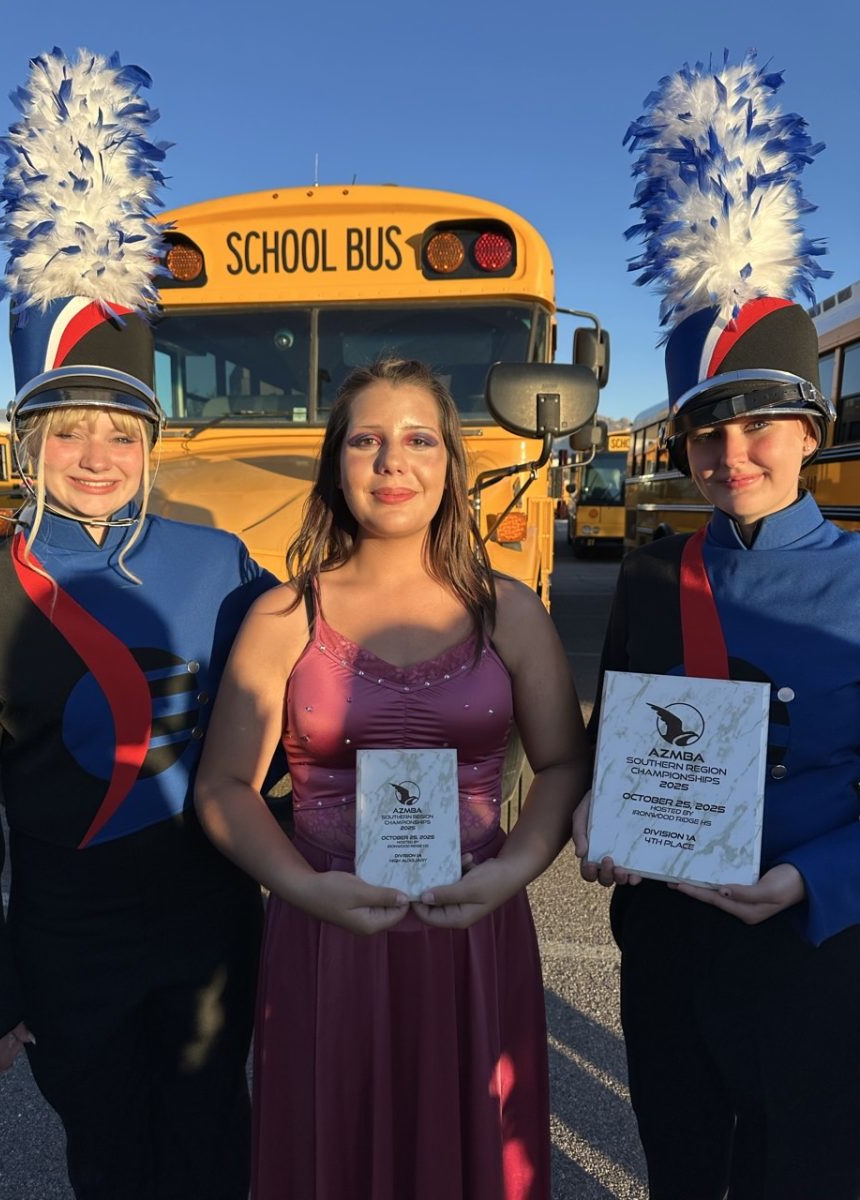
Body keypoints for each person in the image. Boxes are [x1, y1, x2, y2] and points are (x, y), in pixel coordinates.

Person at [195, 357, 589, 1200]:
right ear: (337, 464)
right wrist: (305, 890)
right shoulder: (281, 616)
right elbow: (224, 786)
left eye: (418, 440)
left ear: (451, 463)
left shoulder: (509, 610)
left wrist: (511, 873)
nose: (391, 462)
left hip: (474, 931)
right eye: (366, 441)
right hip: (329, 931)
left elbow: (562, 764)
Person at [573, 51, 860, 1200]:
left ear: (809, 431)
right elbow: (612, 745)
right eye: (706, 435)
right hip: (671, 948)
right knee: (684, 1166)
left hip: (815, 945)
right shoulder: (651, 578)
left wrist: (815, 879)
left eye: (761, 428)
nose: (731, 457)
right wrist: (597, 805)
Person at [0, 380, 277, 1199]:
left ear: (152, 448)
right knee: (107, 1149)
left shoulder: (219, 562)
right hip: (69, 937)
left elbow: (296, 706)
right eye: (70, 434)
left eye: (121, 436)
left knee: (213, 1131)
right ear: (28, 449)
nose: (98, 458)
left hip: (209, 917)